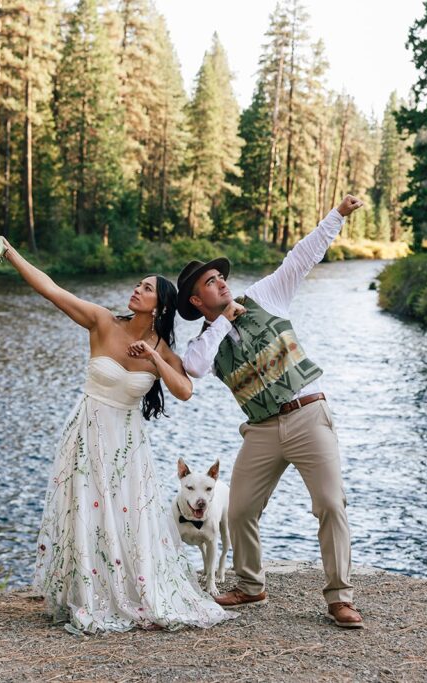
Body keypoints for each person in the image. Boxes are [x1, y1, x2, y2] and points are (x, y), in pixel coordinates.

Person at [0, 241, 237, 634]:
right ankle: (88, 595)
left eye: (146, 288)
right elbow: (50, 288)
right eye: (137, 285)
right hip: (88, 433)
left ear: (160, 305)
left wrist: (155, 359)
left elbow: (184, 389)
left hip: (128, 445)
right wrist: (8, 251)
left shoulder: (161, 348)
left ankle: (133, 590)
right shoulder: (102, 322)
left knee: (130, 520)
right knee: (88, 512)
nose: (136, 290)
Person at [176, 194, 366, 629]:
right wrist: (224, 321)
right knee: (240, 510)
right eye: (209, 282)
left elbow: (301, 258)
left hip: (307, 414)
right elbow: (195, 368)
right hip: (260, 430)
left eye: (220, 277)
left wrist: (336, 215)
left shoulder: (265, 295)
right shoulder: (206, 340)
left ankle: (339, 598)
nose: (221, 283)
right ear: (195, 302)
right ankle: (250, 585)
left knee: (330, 505)